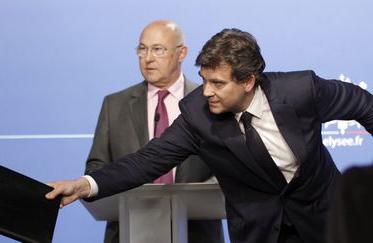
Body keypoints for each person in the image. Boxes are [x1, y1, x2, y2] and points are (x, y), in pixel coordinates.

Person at [46, 28, 373, 243]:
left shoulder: (302, 90)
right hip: (259, 232)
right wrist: (86, 184)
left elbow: (364, 105)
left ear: (248, 82)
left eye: (218, 83)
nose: (207, 92)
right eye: (204, 81)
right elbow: (149, 160)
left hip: (326, 223)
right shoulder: (197, 115)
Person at [85, 20, 223, 243]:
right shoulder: (115, 104)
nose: (147, 58)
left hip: (197, 233)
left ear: (181, 53)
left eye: (157, 49)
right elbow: (96, 167)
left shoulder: (209, 101)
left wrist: (192, 198)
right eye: (142, 49)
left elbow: (225, 166)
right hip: (128, 231)